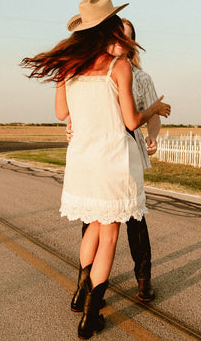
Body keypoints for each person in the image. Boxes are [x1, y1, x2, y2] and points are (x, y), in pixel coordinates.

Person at [20, 0, 170, 339]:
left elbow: (61, 114)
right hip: (114, 160)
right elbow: (132, 121)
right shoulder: (118, 67)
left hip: (82, 161)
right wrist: (154, 109)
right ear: (109, 30)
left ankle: (80, 292)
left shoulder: (67, 67)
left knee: (93, 230)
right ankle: (91, 314)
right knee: (110, 234)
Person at [67, 18, 160, 307]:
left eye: (126, 37)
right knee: (96, 221)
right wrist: (71, 126)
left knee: (135, 222)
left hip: (124, 154)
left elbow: (151, 117)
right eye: (116, 37)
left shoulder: (140, 77)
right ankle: (89, 290)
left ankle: (142, 280)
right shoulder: (99, 70)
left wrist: (152, 136)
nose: (120, 43)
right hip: (107, 156)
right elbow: (77, 112)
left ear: (132, 43)